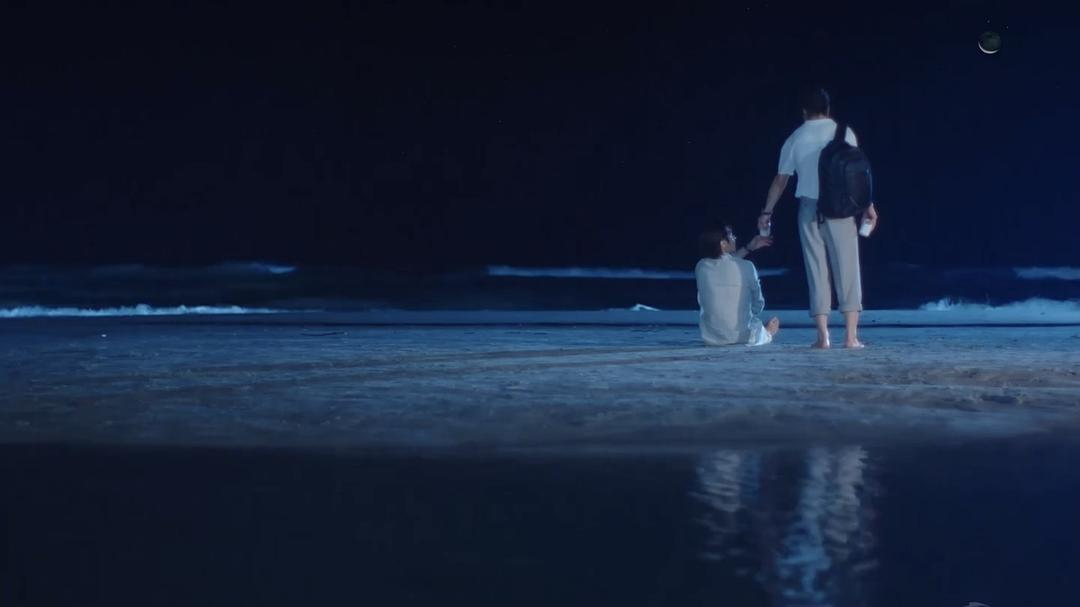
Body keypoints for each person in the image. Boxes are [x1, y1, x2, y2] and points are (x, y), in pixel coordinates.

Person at [758, 86, 878, 349]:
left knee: (816, 270)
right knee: (848, 269)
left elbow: (780, 180)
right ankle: (850, 337)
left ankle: (823, 337)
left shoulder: (795, 138)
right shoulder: (844, 132)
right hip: (841, 208)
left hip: (809, 208)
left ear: (804, 111)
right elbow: (857, 175)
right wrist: (867, 206)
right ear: (827, 109)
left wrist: (767, 211)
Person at [695, 225, 779, 346]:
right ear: (723, 243)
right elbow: (758, 305)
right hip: (743, 337)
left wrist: (748, 248)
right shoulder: (748, 266)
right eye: (731, 236)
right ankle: (768, 333)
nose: (734, 238)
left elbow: (724, 263)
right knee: (759, 326)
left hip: (711, 338)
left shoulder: (701, 267)